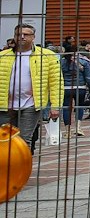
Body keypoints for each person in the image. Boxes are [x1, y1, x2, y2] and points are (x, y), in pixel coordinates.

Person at [0, 24, 63, 152]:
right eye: (18, 34)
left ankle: (21, 170)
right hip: (5, 105)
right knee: (4, 140)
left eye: (26, 34)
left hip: (31, 105)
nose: (22, 37)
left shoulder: (47, 56)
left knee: (23, 140)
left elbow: (56, 82)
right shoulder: (3, 56)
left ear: (33, 37)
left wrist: (56, 106)